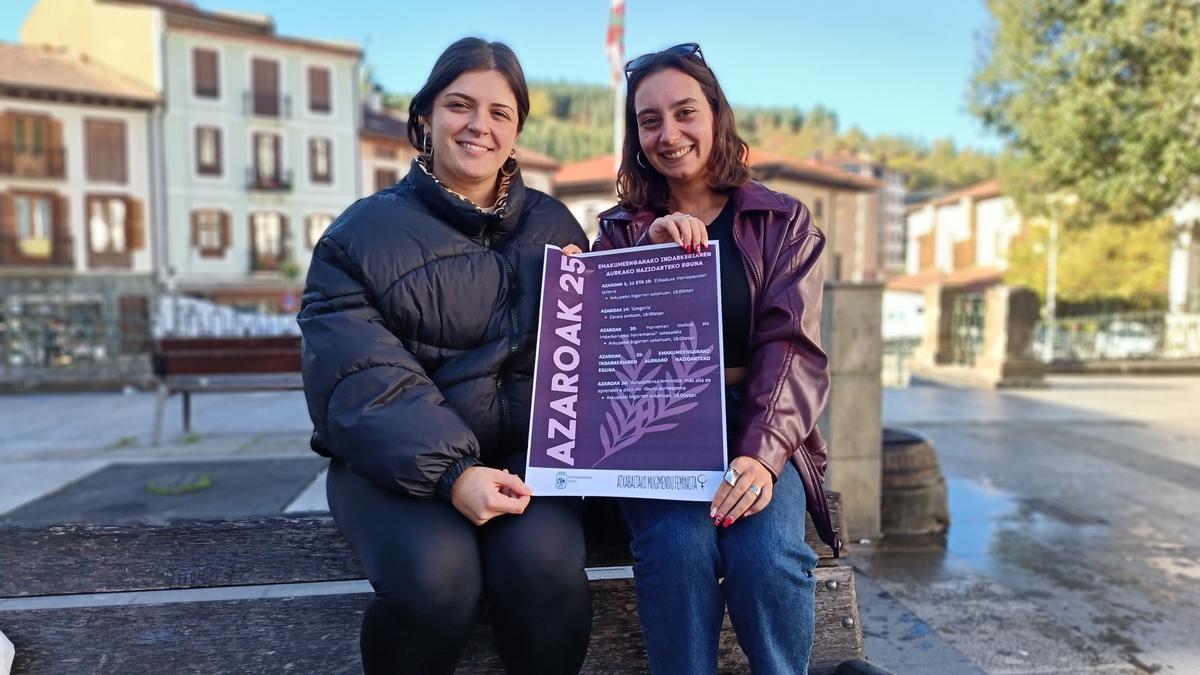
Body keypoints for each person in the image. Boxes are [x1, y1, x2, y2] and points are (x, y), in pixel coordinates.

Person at [299, 38, 591, 675]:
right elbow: (358, 383)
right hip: (391, 465)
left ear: (516, 133)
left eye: (500, 113)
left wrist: (646, 257)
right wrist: (456, 475)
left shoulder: (557, 229)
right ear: (425, 117)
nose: (479, 125)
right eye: (460, 105)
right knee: (438, 579)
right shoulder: (359, 236)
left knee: (546, 570)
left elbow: (593, 362)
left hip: (519, 462)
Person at [592, 42, 841, 674]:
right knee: (675, 549)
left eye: (685, 112)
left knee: (767, 556)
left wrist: (762, 453)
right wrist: (639, 258)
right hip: (661, 424)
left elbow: (794, 347)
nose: (669, 134)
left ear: (715, 115)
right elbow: (600, 347)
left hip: (760, 419)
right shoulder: (620, 231)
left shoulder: (782, 220)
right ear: (636, 134)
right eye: (650, 120)